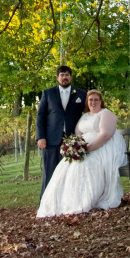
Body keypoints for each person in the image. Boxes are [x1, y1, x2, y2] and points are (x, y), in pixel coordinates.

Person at [37, 89, 128, 217]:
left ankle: (86, 200)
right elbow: (78, 134)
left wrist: (87, 149)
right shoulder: (85, 116)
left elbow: (106, 135)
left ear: (101, 101)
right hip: (86, 148)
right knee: (65, 167)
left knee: (86, 165)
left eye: (96, 99)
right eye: (90, 100)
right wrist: (74, 147)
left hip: (103, 148)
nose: (93, 102)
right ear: (87, 102)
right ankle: (64, 202)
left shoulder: (106, 114)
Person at [36, 66, 87, 198]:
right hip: (51, 139)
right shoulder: (48, 93)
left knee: (71, 172)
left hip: (72, 140)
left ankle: (68, 201)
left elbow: (87, 114)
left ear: (71, 77)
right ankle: (45, 201)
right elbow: (40, 116)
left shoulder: (81, 94)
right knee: (50, 172)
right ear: (57, 77)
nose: (65, 77)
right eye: (62, 75)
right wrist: (40, 137)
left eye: (67, 75)